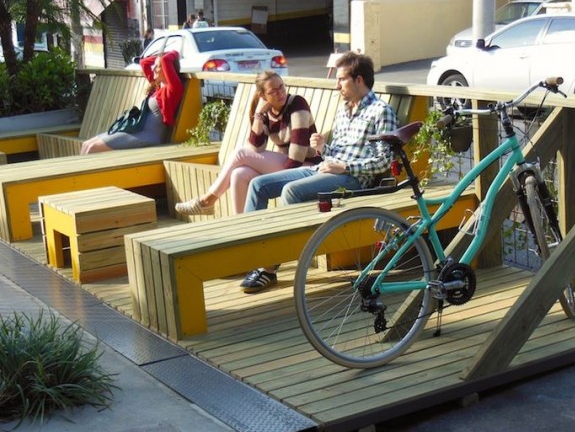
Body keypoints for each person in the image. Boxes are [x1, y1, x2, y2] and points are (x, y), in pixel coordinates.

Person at [239, 51, 398, 293]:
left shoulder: (380, 112)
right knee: (258, 185)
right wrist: (324, 148)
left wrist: (343, 167)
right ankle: (252, 257)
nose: (337, 85)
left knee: (291, 191)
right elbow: (340, 151)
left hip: (353, 180)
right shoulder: (344, 111)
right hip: (324, 169)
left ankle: (268, 267)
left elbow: (385, 160)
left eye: (341, 79)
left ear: (359, 80)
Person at [174, 70, 321, 216]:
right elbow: (257, 147)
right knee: (239, 174)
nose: (280, 93)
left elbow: (297, 155)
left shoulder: (297, 104)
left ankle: (207, 200)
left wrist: (274, 177)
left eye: (281, 87)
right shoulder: (266, 112)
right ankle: (242, 225)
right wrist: (258, 116)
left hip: (307, 166)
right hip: (287, 165)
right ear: (263, 96)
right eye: (273, 91)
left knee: (241, 153)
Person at [80, 50, 184, 154]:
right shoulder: (157, 85)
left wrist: (174, 53)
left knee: (93, 148)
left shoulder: (173, 89)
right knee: (87, 145)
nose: (154, 69)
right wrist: (160, 56)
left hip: (148, 136)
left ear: (167, 68)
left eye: (158, 66)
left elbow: (165, 60)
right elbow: (144, 62)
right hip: (137, 130)